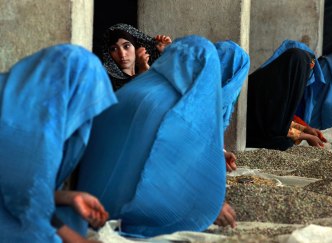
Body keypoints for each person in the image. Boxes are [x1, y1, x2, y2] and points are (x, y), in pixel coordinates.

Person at [58, 34, 250, 237]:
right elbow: (161, 171)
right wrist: (204, 205)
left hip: (82, 196)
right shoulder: (177, 109)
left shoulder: (136, 88)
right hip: (114, 211)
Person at [0, 44, 116, 242]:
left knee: (69, 219)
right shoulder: (29, 131)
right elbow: (24, 199)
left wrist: (69, 197)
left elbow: (14, 185)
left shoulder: (18, 103)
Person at [247, 39, 332, 150]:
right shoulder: (268, 87)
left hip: (263, 130)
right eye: (303, 73)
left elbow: (280, 121)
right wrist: (306, 136)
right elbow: (274, 127)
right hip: (250, 135)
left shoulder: (278, 84)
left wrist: (306, 129)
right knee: (282, 143)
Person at [101, 23, 172, 90]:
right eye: (114, 49)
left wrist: (167, 53)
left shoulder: (152, 70)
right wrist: (142, 74)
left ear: (136, 47)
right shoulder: (106, 82)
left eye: (126, 46)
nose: (122, 54)